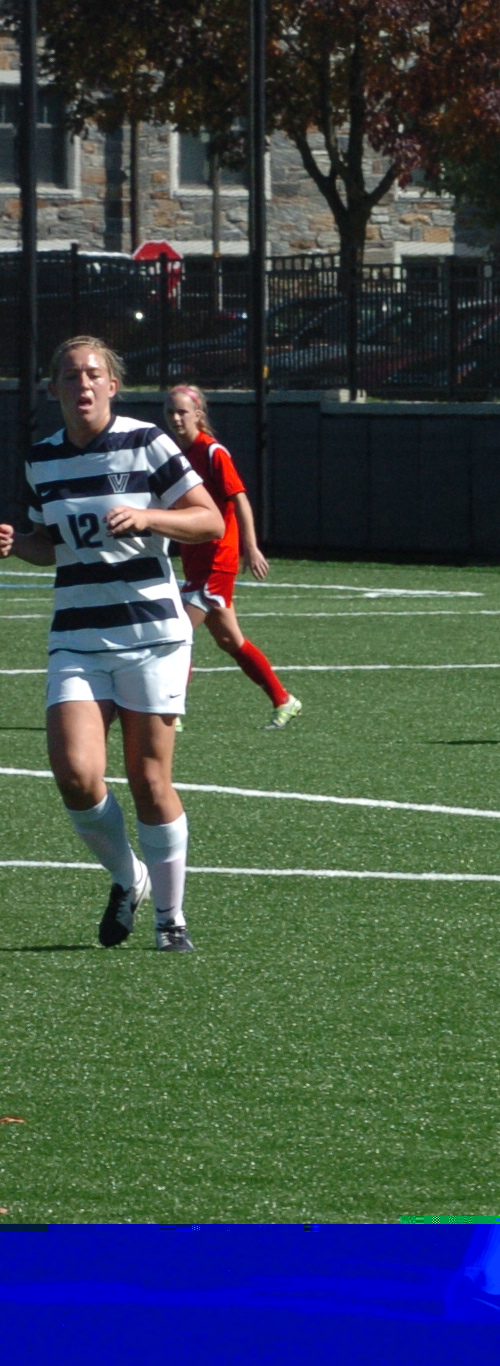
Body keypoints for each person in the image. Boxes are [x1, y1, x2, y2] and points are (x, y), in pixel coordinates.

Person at [0, 337, 223, 951]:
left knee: (149, 780)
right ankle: (130, 878)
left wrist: (151, 517)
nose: (83, 385)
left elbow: (209, 519)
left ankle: (170, 919)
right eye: (71, 376)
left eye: (94, 374)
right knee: (76, 774)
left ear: (113, 385)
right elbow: (51, 544)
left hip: (152, 634)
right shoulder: (42, 458)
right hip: (77, 633)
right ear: (53, 389)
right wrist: (17, 544)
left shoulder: (146, 442)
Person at [165, 384, 301, 730]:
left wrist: (250, 547)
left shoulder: (212, 452)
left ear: (198, 414)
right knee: (230, 640)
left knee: (177, 630)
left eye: (182, 412)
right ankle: (283, 699)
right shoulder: (176, 454)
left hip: (217, 560)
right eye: (170, 412)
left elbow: (239, 499)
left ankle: (170, 713)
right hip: (196, 560)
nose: (176, 418)